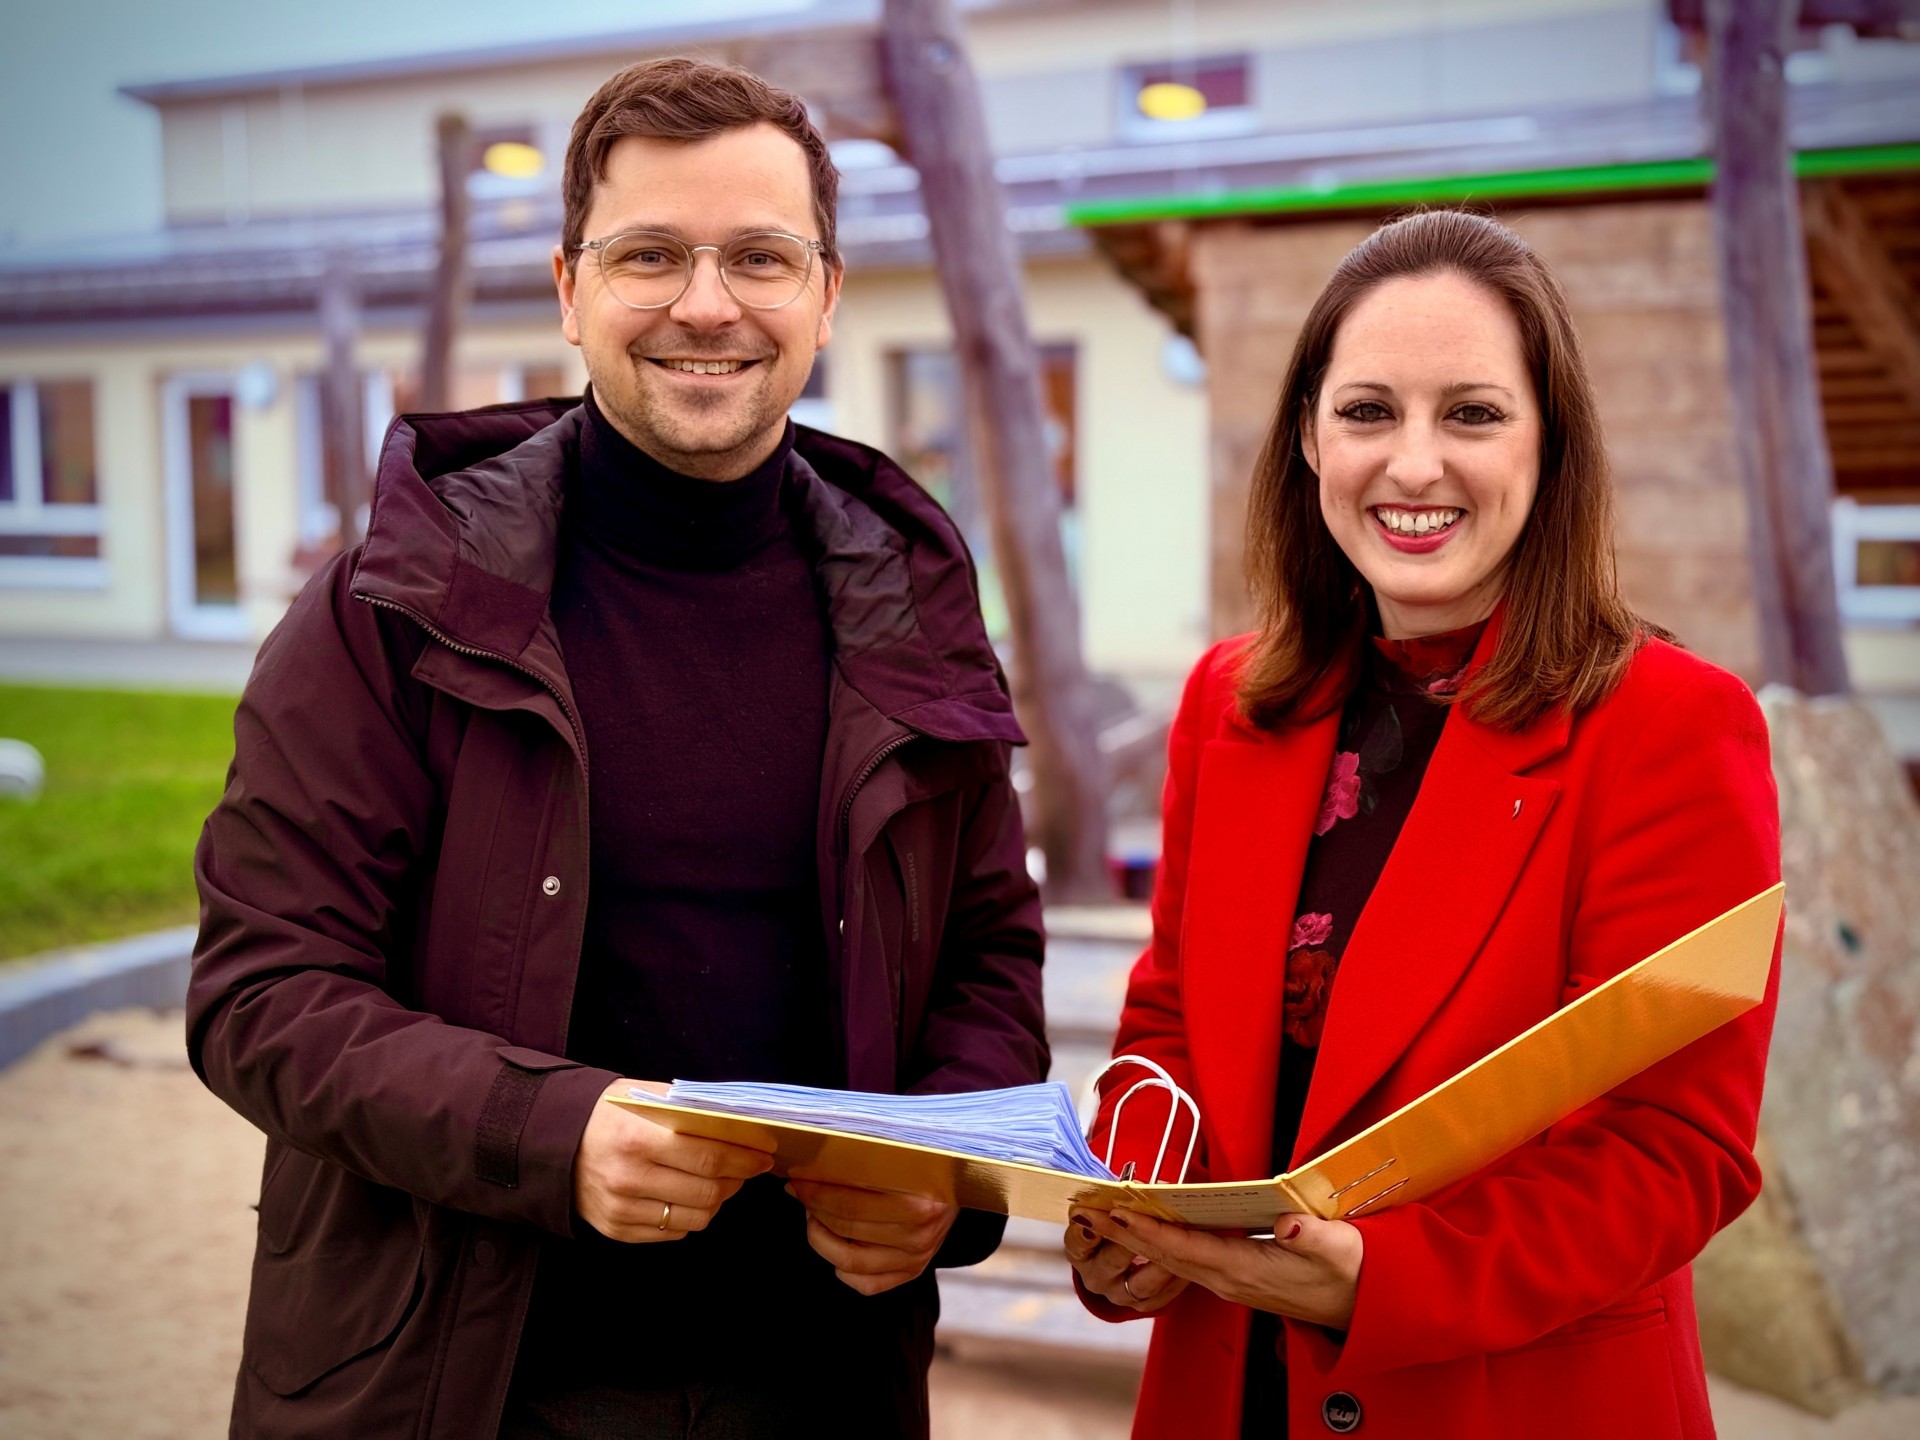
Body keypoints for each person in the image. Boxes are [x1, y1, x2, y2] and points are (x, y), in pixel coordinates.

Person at [188, 57, 1047, 1440]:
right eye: (651, 253)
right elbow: (262, 993)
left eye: (759, 257)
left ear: (827, 295)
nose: (706, 303)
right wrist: (551, 1131)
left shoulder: (914, 613)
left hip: (820, 1383)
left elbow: (987, 957)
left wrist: (941, 1177)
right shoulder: (393, 607)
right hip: (463, 1383)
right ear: (569, 287)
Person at [1063, 209, 1781, 1439]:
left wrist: (1389, 1279)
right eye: (1367, 411)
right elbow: (1172, 1022)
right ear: (1306, 438)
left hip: (1508, 1393)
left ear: (1550, 444)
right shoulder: (1230, 704)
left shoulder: (1671, 726)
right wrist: (1131, 1211)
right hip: (1224, 1384)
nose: (1413, 464)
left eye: (1472, 413)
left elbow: (1675, 1148)